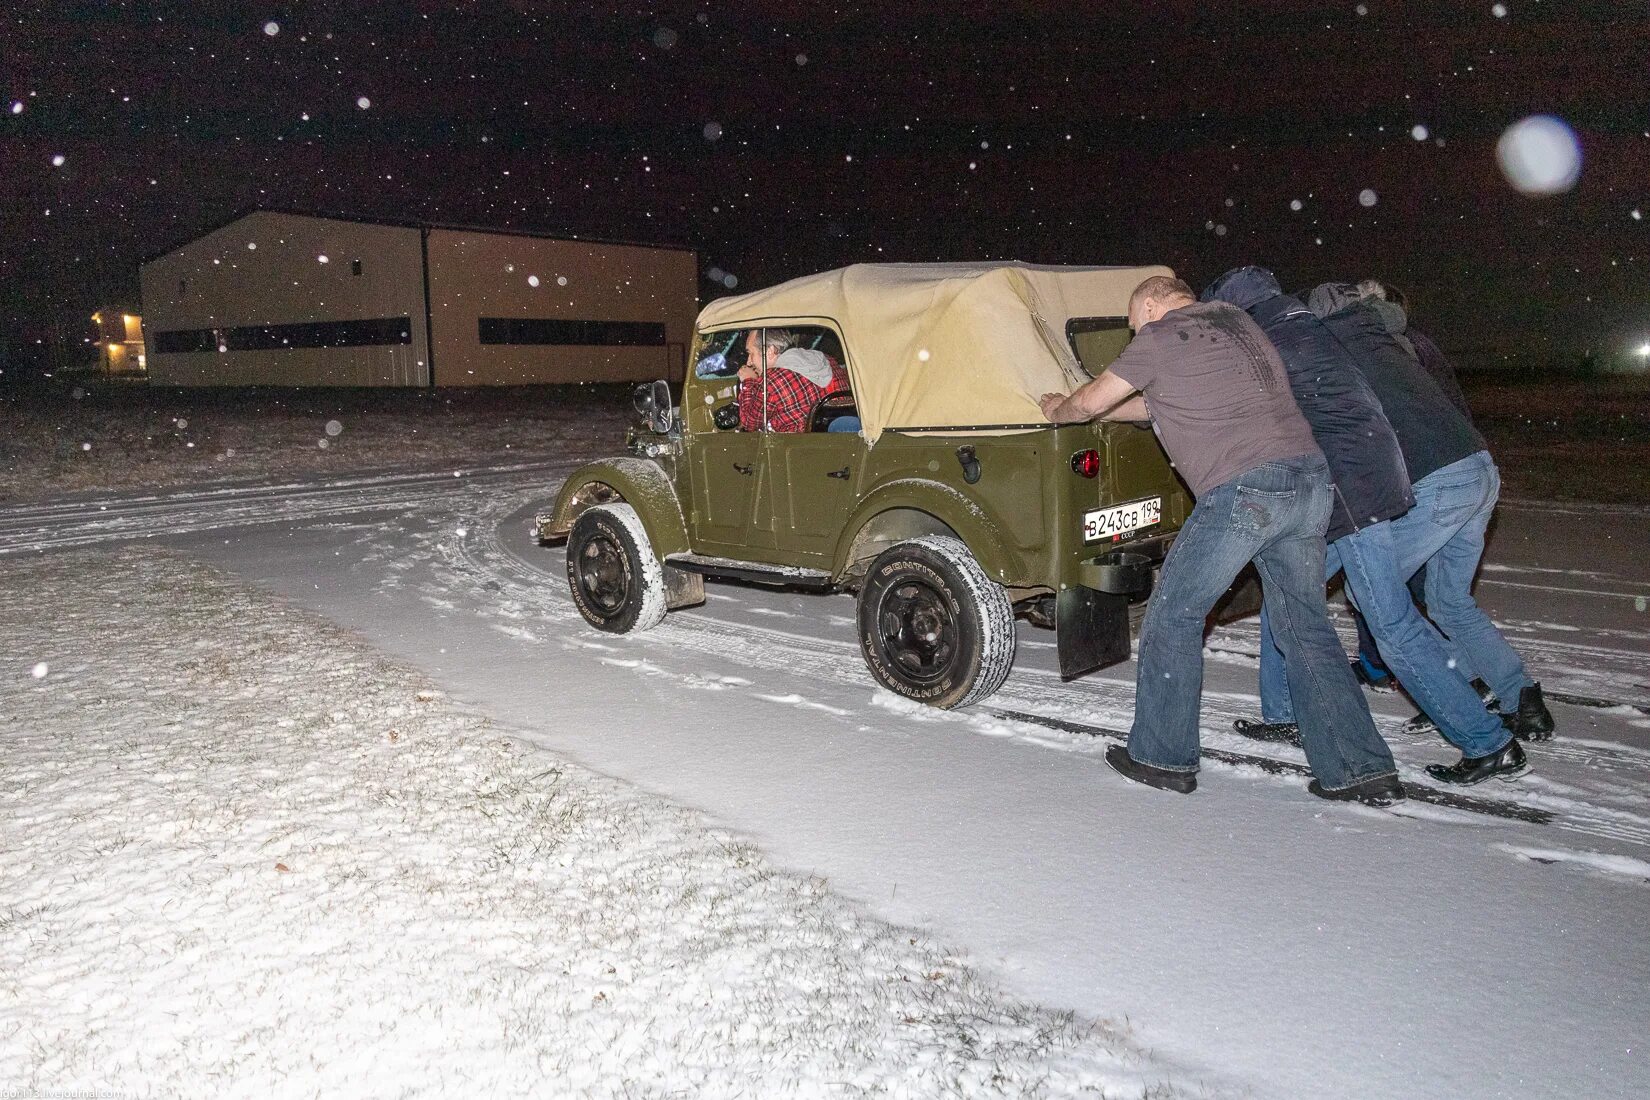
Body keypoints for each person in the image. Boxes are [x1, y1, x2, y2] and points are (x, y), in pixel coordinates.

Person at [1040, 275, 1403, 806]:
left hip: (1246, 492)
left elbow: (1093, 399)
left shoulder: (1163, 335)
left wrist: (1060, 407)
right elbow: (1151, 403)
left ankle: (1161, 756)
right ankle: (1358, 767)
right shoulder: (1239, 324)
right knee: (1306, 626)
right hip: (1308, 483)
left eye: (1134, 322)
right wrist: (1101, 405)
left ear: (1153, 305)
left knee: (1174, 615)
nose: (1135, 332)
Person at [1204, 268, 1521, 783]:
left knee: (1387, 618)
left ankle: (1485, 736)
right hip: (1409, 478)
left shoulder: (1295, 339)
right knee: (1288, 592)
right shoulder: (1352, 331)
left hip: (1366, 494)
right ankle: (1286, 714)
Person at [1309, 283, 1553, 783]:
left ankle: (1470, 711)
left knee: (1372, 595)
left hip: (1438, 480)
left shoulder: (1337, 349)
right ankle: (1522, 698)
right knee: (1447, 600)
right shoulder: (1396, 339)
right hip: (1477, 465)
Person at [738, 329, 846, 434]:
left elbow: (749, 423)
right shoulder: (827, 360)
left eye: (751, 353)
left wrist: (748, 381)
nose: (749, 362)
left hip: (798, 447)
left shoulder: (771, 381)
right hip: (842, 439)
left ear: (770, 351)